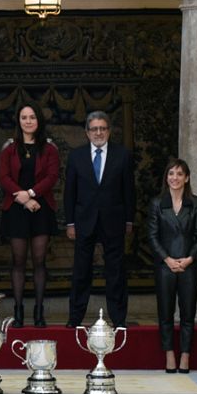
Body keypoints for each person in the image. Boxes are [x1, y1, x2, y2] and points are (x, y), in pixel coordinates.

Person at [64, 111, 134, 328]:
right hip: (84, 221)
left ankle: (119, 319)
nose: (98, 133)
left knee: (116, 272)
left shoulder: (122, 155)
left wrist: (129, 220)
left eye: (102, 128)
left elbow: (129, 190)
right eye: (94, 129)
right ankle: (75, 318)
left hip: (114, 220)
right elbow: (70, 193)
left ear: (109, 131)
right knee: (81, 272)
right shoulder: (76, 156)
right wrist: (70, 223)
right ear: (87, 132)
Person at [0, 103, 60, 326]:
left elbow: (52, 176)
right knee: (18, 261)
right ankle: (18, 310)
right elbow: (3, 176)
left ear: (38, 120)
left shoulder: (50, 148)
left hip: (41, 209)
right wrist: (21, 197)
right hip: (16, 209)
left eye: (32, 117)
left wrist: (31, 194)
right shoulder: (9, 148)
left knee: (39, 261)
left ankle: (39, 311)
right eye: (24, 117)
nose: (28, 121)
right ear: (19, 121)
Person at [147, 158, 197, 373]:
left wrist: (189, 259)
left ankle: (186, 357)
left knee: (188, 314)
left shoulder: (196, 203)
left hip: (189, 266)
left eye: (180, 174)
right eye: (171, 173)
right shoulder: (157, 203)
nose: (175, 178)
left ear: (187, 178)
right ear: (166, 177)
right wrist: (167, 259)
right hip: (165, 266)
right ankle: (170, 355)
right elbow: (152, 237)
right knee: (166, 313)